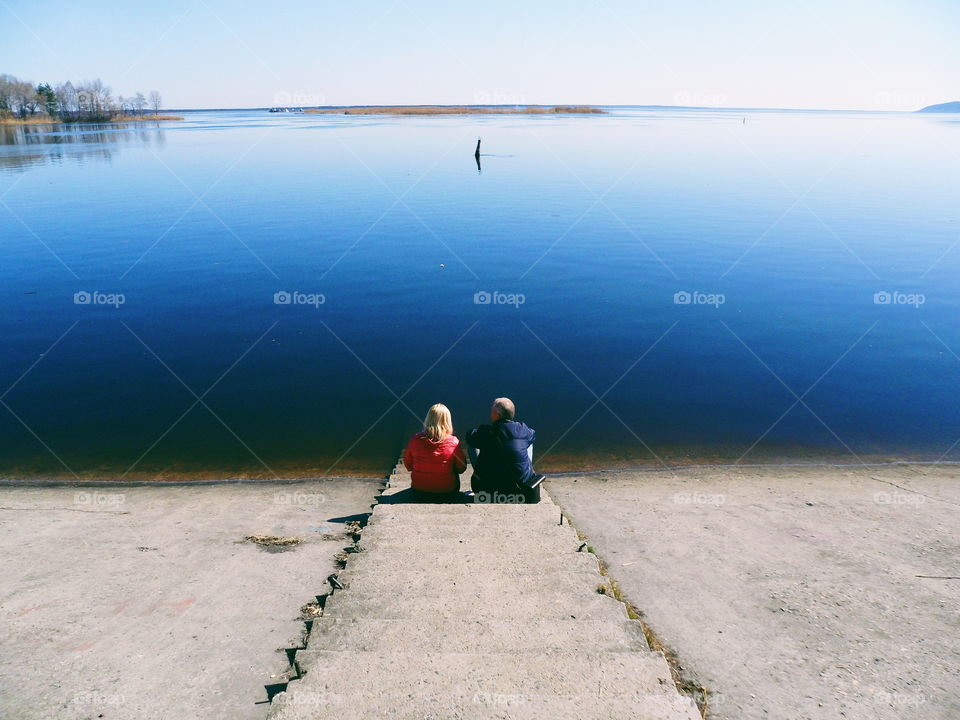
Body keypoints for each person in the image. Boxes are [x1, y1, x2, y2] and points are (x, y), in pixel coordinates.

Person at [466, 397, 536, 498]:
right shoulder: (523, 429)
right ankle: (526, 474)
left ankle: (481, 477)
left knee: (472, 446)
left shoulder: (486, 432)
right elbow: (533, 434)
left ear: (496, 415)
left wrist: (478, 431)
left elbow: (469, 437)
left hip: (490, 490)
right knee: (528, 442)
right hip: (520, 489)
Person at [403, 403, 467, 500]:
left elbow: (408, 466)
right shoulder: (453, 442)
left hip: (419, 492)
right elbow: (462, 468)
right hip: (447, 493)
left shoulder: (415, 439)